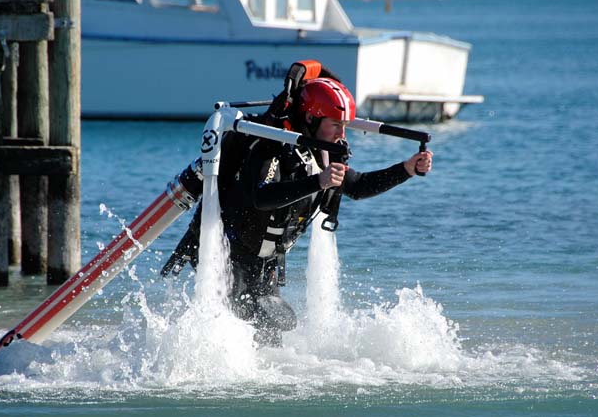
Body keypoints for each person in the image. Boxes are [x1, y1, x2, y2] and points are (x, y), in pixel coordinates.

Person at [164, 69, 432, 346]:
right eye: (335, 125)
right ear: (311, 118)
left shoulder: (323, 152)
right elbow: (261, 197)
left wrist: (407, 169)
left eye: (345, 125)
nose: (342, 134)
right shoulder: (270, 147)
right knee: (250, 322)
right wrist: (318, 182)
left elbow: (358, 186)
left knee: (277, 326)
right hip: (228, 250)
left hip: (263, 259)